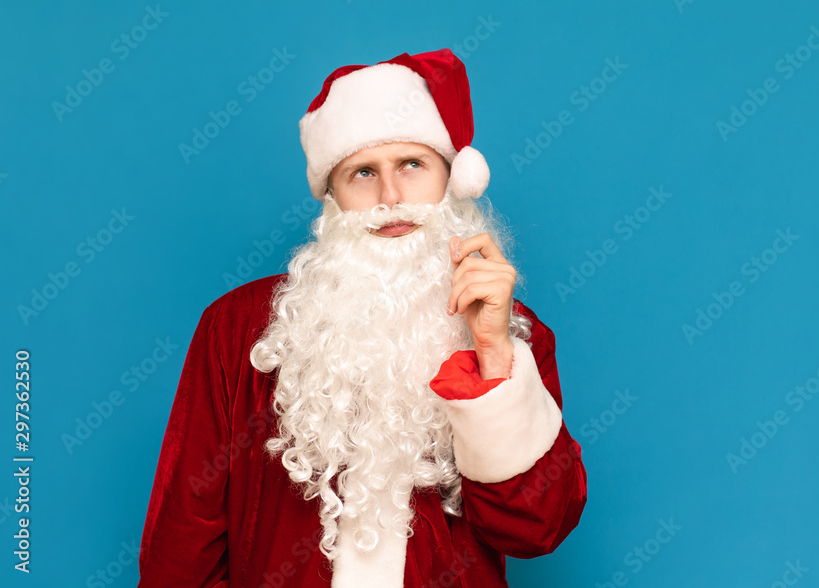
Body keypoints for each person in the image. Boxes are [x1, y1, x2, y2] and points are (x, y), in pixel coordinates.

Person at [137, 48, 587, 588]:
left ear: (452, 181)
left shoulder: (511, 334)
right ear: (333, 198)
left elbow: (538, 530)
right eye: (363, 173)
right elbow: (185, 535)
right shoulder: (235, 328)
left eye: (412, 166)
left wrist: (493, 357)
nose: (391, 198)